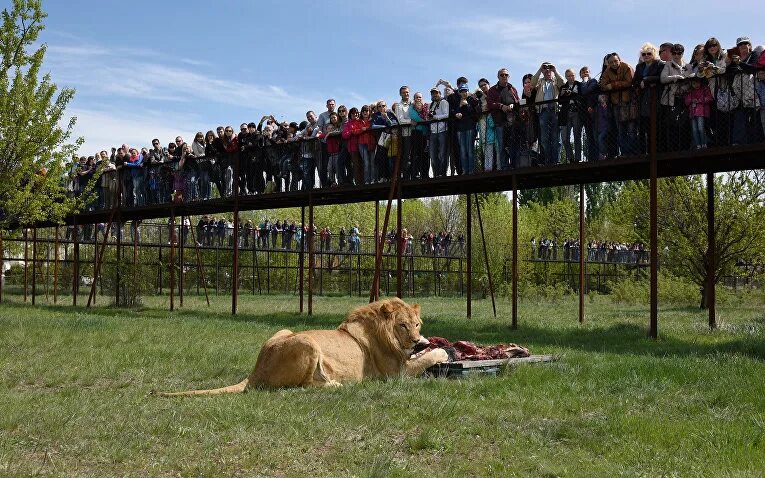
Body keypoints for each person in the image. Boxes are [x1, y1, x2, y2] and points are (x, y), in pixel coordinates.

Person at [600, 53, 636, 157]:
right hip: (616, 104)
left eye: (615, 61)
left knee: (631, 130)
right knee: (621, 131)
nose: (614, 63)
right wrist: (614, 85)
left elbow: (629, 82)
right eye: (611, 62)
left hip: (629, 102)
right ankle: (624, 153)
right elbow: (603, 85)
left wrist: (613, 85)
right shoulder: (607, 71)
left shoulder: (626, 67)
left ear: (619, 60)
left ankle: (633, 153)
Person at [633, 43, 665, 154]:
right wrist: (641, 83)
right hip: (643, 99)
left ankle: (657, 150)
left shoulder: (660, 64)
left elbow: (661, 77)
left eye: (649, 53)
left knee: (657, 126)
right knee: (644, 126)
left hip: (656, 98)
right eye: (644, 54)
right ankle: (645, 151)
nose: (646, 56)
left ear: (654, 54)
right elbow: (635, 81)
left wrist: (646, 80)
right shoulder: (640, 67)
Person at [531, 62, 565, 164]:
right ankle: (547, 160)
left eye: (549, 68)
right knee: (544, 138)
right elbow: (532, 84)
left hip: (555, 110)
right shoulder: (540, 82)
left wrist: (555, 70)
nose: (547, 70)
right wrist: (539, 69)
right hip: (543, 110)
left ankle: (555, 160)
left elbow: (563, 83)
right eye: (545, 69)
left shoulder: (556, 81)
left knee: (556, 138)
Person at [487, 68, 520, 169]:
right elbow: (490, 103)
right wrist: (501, 106)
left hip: (512, 121)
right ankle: (504, 167)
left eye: (506, 75)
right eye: (502, 75)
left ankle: (514, 165)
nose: (504, 76)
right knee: (502, 146)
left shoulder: (512, 88)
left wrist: (512, 105)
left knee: (513, 145)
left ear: (509, 76)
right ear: (498, 77)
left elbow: (518, 102)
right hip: (500, 122)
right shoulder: (492, 90)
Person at [660, 44, 690, 152]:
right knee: (671, 124)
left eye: (679, 53)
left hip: (684, 98)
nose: (676, 55)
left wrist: (684, 86)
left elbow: (691, 81)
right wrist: (675, 77)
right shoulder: (668, 65)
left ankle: (683, 147)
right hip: (671, 99)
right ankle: (672, 149)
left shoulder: (688, 66)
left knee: (684, 123)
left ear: (682, 53)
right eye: (674, 53)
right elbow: (663, 79)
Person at [453, 84, 480, 174]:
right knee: (463, 151)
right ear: (459, 93)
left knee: (470, 150)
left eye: (465, 91)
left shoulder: (471, 100)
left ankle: (471, 170)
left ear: (468, 91)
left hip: (470, 127)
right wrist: (458, 110)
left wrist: (467, 105)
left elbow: (475, 113)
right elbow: (454, 112)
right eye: (462, 91)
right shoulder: (457, 101)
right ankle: (465, 170)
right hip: (460, 129)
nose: (464, 93)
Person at [559, 69, 583, 163]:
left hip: (576, 112)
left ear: (575, 75)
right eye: (568, 76)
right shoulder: (563, 87)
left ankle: (577, 158)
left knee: (577, 136)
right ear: (566, 77)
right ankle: (570, 158)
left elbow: (581, 96)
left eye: (572, 75)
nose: (571, 77)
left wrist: (571, 93)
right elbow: (560, 101)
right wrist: (562, 94)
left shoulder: (579, 85)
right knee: (565, 138)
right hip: (565, 113)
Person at [685, 77, 713, 149]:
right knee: (694, 130)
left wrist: (699, 100)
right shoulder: (690, 91)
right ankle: (698, 145)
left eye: (697, 82)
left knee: (701, 128)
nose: (696, 85)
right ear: (691, 84)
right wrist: (692, 100)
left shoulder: (705, 89)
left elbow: (709, 98)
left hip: (701, 112)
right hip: (693, 112)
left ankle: (704, 144)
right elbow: (686, 101)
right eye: (694, 83)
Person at [427, 87, 449, 177]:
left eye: (436, 93)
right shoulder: (431, 104)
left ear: (440, 93)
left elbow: (446, 114)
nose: (434, 95)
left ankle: (442, 173)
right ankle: (436, 173)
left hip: (443, 130)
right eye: (432, 93)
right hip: (433, 131)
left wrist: (435, 117)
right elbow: (430, 115)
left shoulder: (444, 102)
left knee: (442, 153)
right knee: (433, 154)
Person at [579, 66, 600, 161]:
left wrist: (585, 81)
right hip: (584, 114)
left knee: (595, 134)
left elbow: (585, 91)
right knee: (589, 136)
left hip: (593, 112)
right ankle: (591, 157)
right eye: (583, 73)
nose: (585, 74)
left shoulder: (593, 81)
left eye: (587, 72)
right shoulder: (579, 84)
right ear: (580, 75)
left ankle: (597, 156)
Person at [474, 79, 495, 171]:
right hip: (483, 121)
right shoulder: (479, 96)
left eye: (484, 84)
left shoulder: (494, 92)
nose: (483, 87)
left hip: (495, 120)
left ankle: (498, 166)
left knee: (498, 145)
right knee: (486, 144)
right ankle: (488, 167)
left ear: (488, 84)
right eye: (481, 85)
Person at [393, 86, 413, 179]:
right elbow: (400, 120)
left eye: (407, 92)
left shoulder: (413, 103)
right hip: (405, 133)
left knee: (415, 154)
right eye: (404, 92)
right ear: (400, 94)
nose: (406, 94)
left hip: (416, 132)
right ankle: (406, 175)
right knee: (406, 155)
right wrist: (411, 121)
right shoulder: (398, 106)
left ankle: (415, 173)